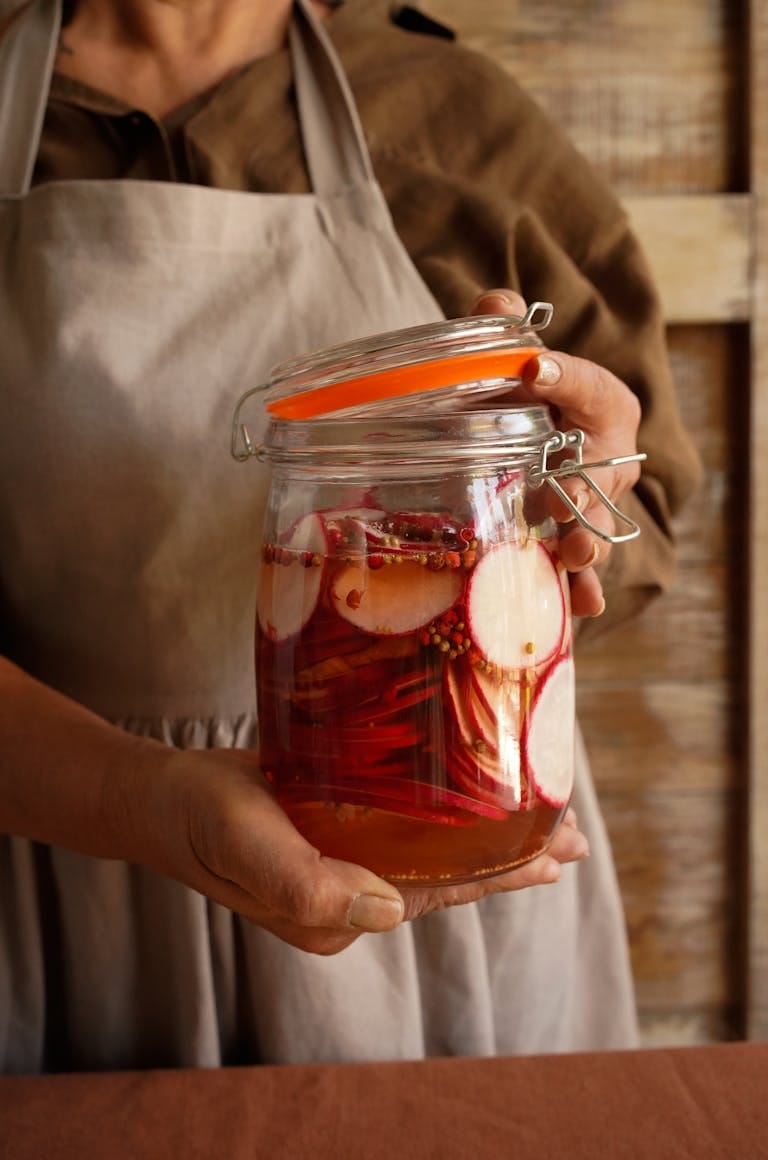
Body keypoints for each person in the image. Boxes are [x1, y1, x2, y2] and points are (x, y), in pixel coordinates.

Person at [0, 0, 701, 1073]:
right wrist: (128, 792)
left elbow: (636, 502)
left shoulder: (449, 113)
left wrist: (578, 506)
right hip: (53, 853)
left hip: (437, 825)